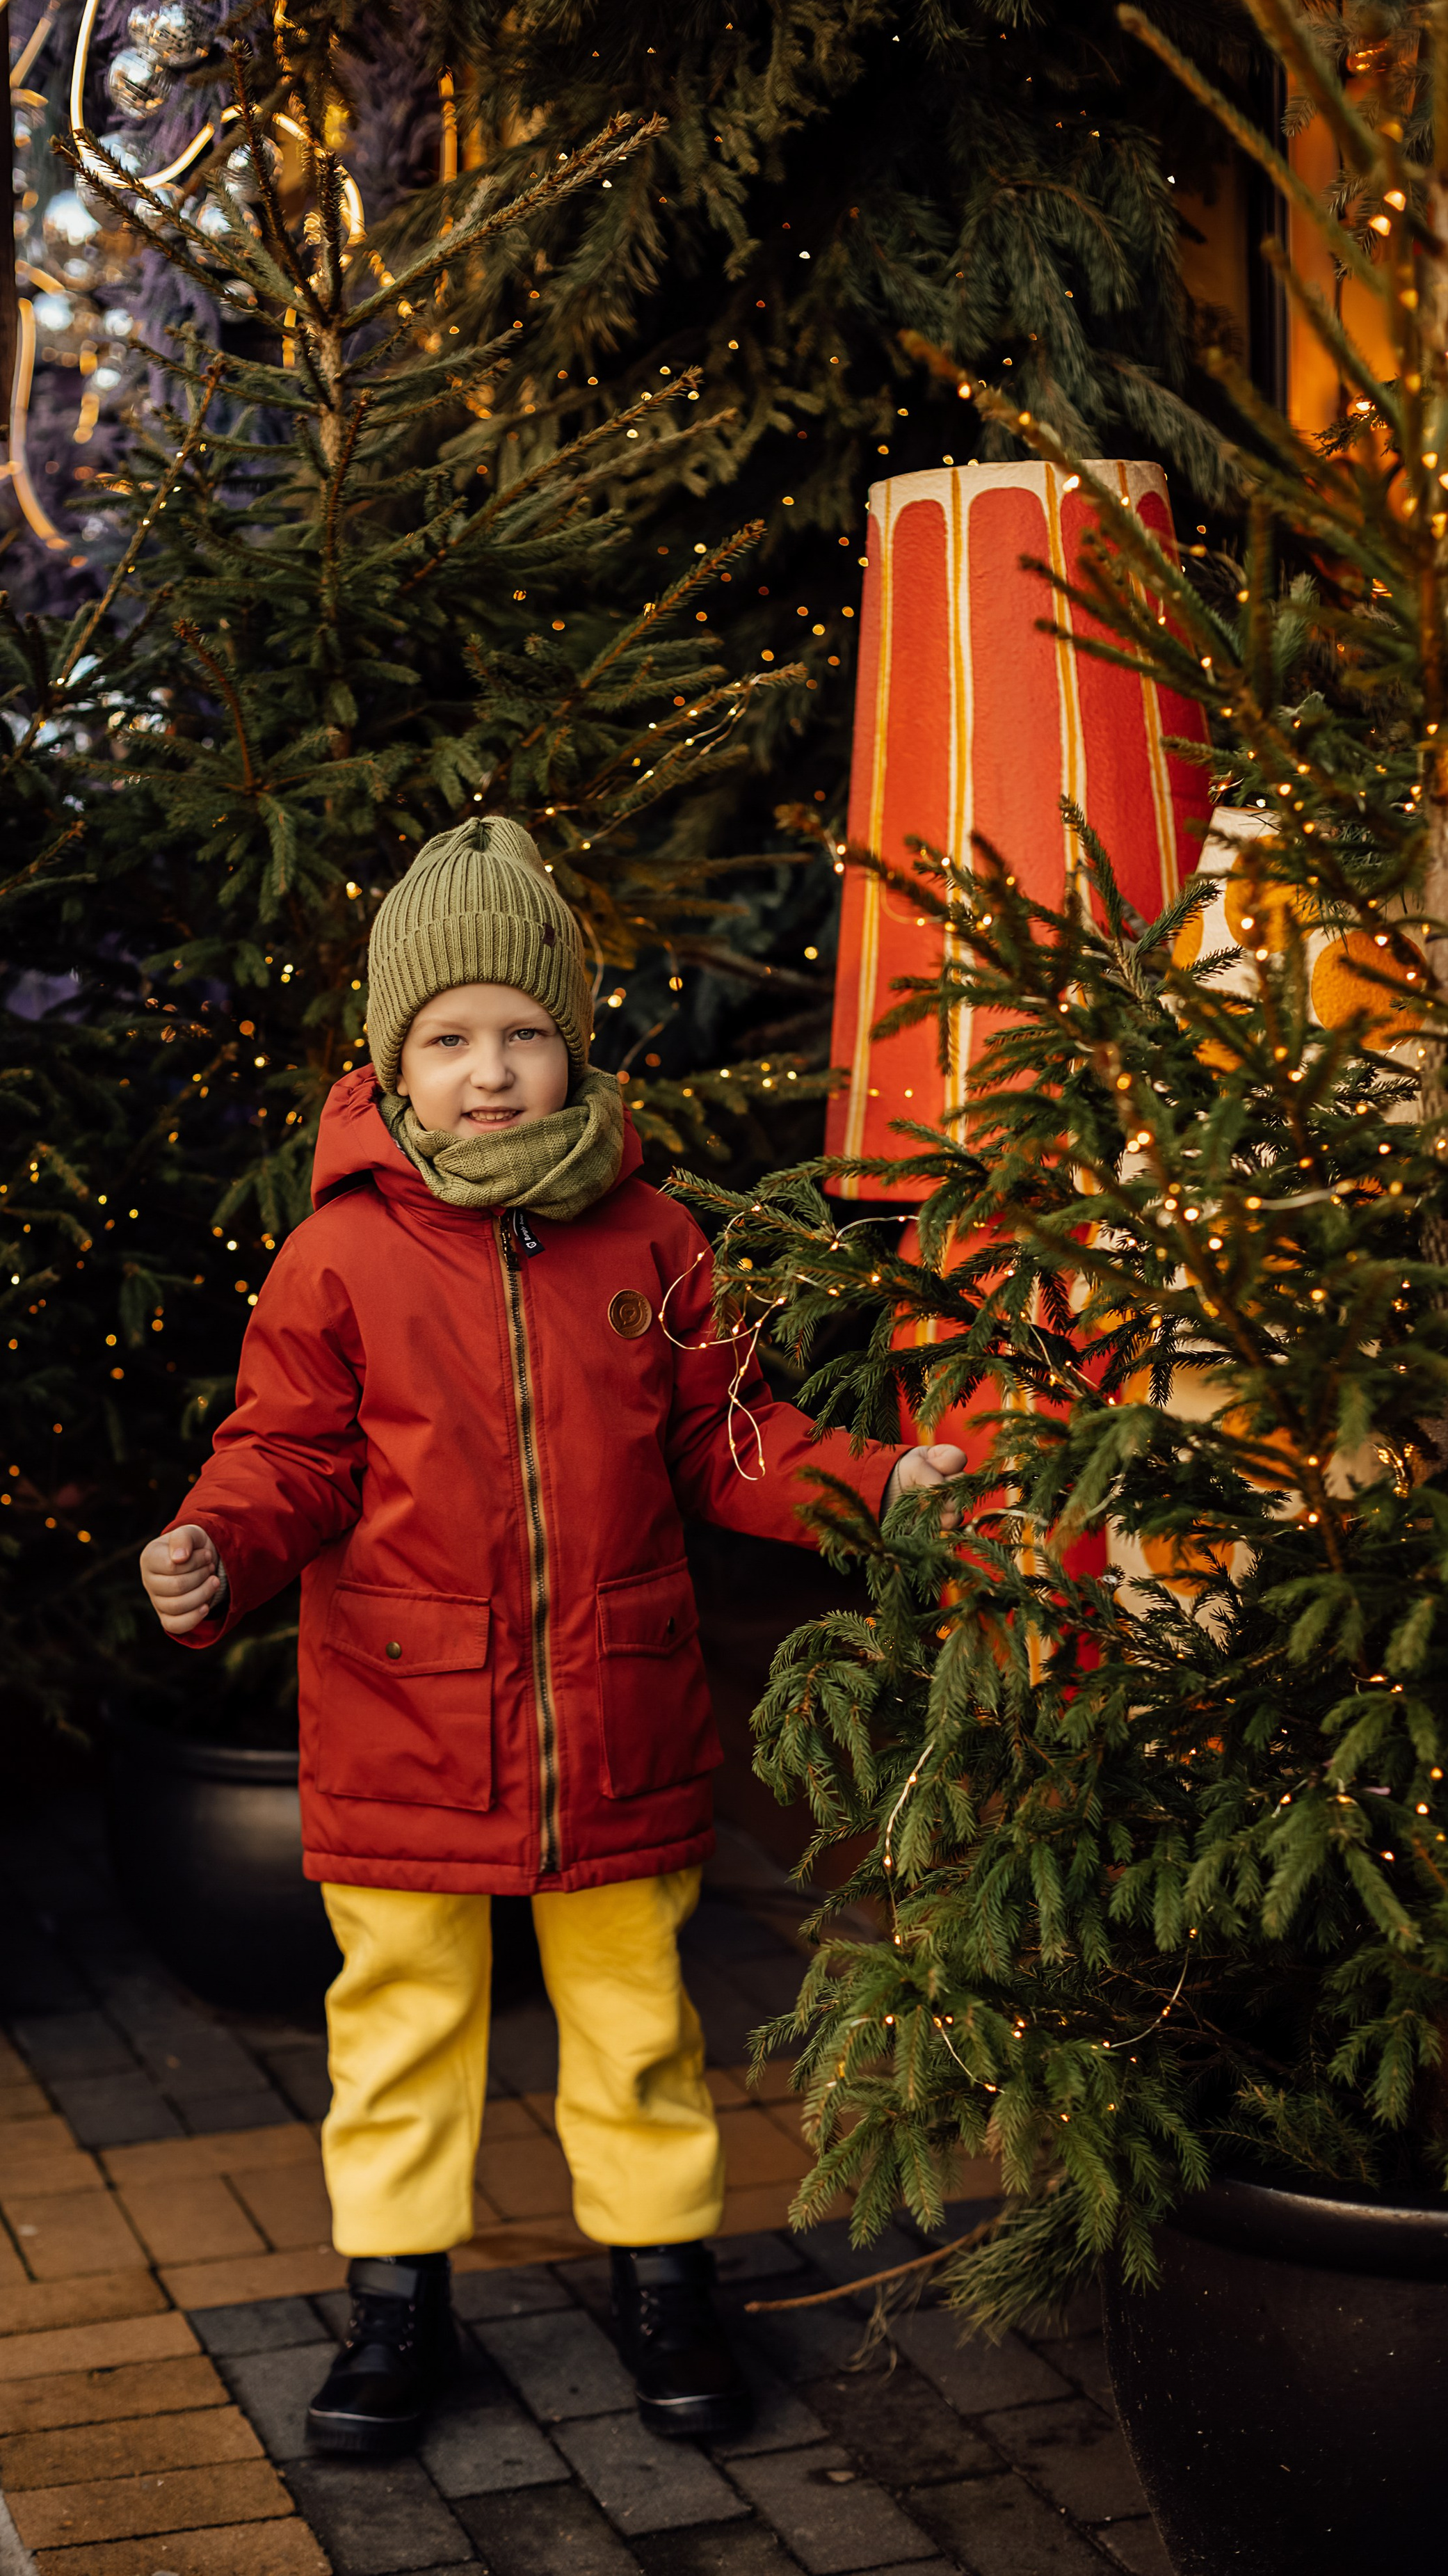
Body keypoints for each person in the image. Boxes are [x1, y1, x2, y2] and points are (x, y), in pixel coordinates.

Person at [139, 817, 965, 2458]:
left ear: (573, 1045)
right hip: (402, 1717)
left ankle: (663, 2278)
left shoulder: (647, 1239)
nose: (491, 1071)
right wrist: (214, 1546)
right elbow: (285, 1453)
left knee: (638, 2018)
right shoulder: (338, 1255)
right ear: (391, 1062)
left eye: (523, 1033)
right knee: (400, 2025)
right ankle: (394, 2304)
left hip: (614, 1708)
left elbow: (725, 1438)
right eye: (449, 1039)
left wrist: (882, 1483)